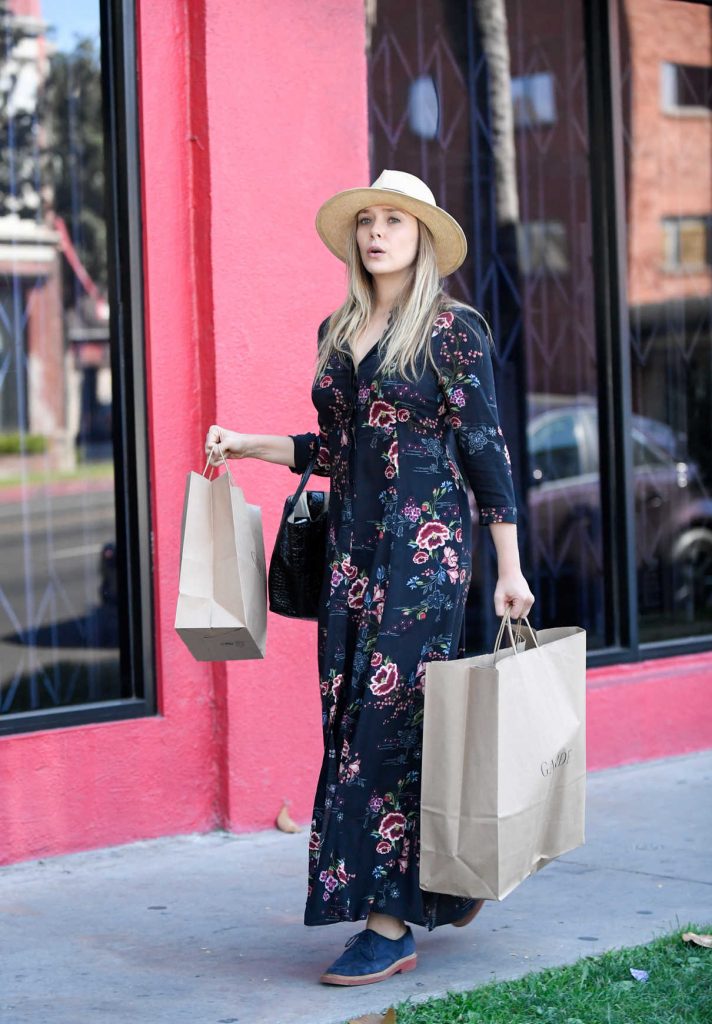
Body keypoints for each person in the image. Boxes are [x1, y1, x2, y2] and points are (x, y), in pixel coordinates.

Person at [205, 169, 534, 987]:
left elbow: (484, 451)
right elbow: (338, 449)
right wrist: (250, 444)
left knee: (382, 732)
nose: (377, 232)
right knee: (352, 726)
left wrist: (510, 569)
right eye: (367, 221)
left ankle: (388, 927)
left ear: (422, 237)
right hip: (351, 557)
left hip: (423, 557)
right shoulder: (338, 326)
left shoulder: (453, 330)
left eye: (395, 220)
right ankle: (443, 881)